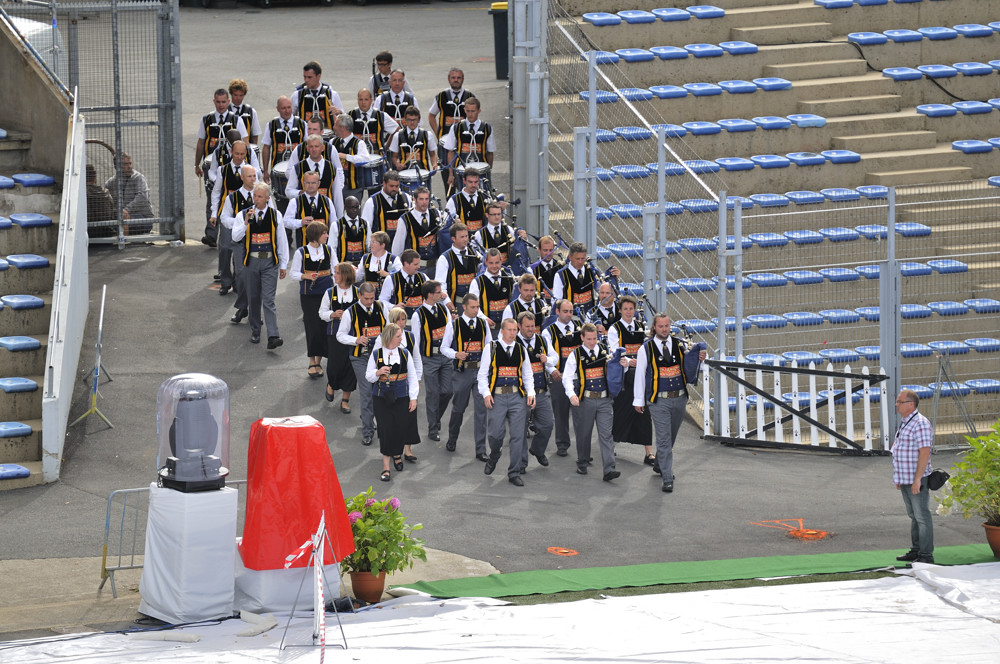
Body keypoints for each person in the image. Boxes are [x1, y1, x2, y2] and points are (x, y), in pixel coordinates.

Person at [632, 312, 707, 493]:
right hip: (659, 401)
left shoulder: (681, 345)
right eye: (661, 326)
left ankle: (659, 464)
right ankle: (667, 477)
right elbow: (640, 375)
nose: (664, 329)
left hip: (680, 398)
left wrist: (702, 359)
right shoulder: (645, 348)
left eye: (667, 326)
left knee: (671, 436)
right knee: (664, 439)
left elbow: (695, 367)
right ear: (654, 328)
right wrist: (638, 400)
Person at [477, 318, 536, 487]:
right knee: (495, 435)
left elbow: (527, 374)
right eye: (509, 330)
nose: (512, 333)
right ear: (501, 331)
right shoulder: (491, 348)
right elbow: (482, 375)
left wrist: (531, 393)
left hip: (518, 397)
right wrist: (486, 394)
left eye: (514, 330)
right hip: (497, 397)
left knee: (518, 436)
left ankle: (514, 472)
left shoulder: (521, 348)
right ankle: (495, 454)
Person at [231, 182, 287, 349]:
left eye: (260, 196)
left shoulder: (276, 215)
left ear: (267, 198)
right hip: (252, 262)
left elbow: (281, 240)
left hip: (270, 262)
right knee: (254, 298)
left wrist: (283, 264)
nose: (256, 199)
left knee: (268, 300)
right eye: (254, 196)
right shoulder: (242, 215)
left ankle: (273, 335)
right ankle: (256, 329)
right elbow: (235, 237)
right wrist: (246, 222)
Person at [563, 323, 619, 481]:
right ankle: (582, 461)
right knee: (583, 433)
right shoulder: (576, 354)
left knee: (606, 434)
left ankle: (609, 469)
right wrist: (571, 395)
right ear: (582, 337)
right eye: (589, 339)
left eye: (595, 338)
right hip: (585, 400)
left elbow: (616, 367)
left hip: (604, 399)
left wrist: (624, 363)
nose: (592, 342)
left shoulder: (605, 350)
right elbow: (567, 377)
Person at [336, 282, 389, 447]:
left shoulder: (381, 307)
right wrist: (356, 340)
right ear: (360, 296)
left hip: (379, 356)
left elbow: (388, 327)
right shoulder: (349, 312)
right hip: (360, 358)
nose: (369, 301)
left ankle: (376, 422)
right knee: (366, 392)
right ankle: (367, 431)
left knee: (381, 391)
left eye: (372, 298)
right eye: (366, 298)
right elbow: (340, 335)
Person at [366, 323, 420, 483]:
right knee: (386, 429)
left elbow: (412, 377)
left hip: (401, 397)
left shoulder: (404, 354)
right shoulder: (376, 354)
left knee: (399, 427)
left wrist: (413, 397)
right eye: (398, 336)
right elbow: (368, 376)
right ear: (390, 337)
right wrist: (378, 372)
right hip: (381, 398)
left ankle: (397, 454)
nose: (401, 339)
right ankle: (386, 466)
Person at [441, 293, 492, 458]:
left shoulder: (483, 324)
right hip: (462, 372)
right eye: (473, 307)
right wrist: (456, 354)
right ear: (464, 307)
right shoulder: (453, 325)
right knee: (458, 408)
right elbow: (444, 348)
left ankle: (481, 450)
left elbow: (490, 347)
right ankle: (452, 438)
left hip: (480, 372)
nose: (476, 310)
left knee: (481, 411)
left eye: (478, 307)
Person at [195, 88, 247, 247]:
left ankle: (235, 232)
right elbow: (201, 142)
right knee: (213, 199)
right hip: (213, 166)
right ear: (214, 102)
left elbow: (244, 141)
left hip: (234, 168)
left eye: (224, 101)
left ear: (228, 101)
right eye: (218, 102)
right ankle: (211, 234)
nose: (221, 105)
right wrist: (197, 163)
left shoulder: (236, 119)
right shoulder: (207, 119)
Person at [374, 306, 424, 463]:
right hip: (388, 384)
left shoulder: (409, 337)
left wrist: (418, 378)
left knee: (409, 415)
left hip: (407, 382)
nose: (402, 323)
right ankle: (392, 449)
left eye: (403, 319)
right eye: (398, 320)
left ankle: (407, 449)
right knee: (391, 419)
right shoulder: (381, 338)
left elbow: (416, 359)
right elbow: (376, 360)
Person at [607, 296, 653, 464]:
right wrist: (627, 362)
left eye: (631, 309)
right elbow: (614, 353)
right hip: (624, 378)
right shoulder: (614, 329)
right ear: (620, 310)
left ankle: (649, 453)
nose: (628, 312)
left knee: (644, 413)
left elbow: (647, 349)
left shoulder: (641, 327)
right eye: (625, 309)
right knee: (621, 412)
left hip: (640, 376)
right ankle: (610, 445)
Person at [892, 389, 935, 564]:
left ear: (911, 404)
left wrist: (918, 478)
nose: (897, 404)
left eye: (900, 402)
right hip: (906, 478)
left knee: (922, 516)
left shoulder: (920, 423)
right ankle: (916, 550)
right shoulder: (906, 422)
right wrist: (899, 478)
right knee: (914, 515)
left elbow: (924, 452)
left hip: (916, 478)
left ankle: (925, 555)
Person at [410, 280, 453, 442]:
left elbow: (450, 333)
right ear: (429, 295)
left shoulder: (443, 309)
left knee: (448, 391)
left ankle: (435, 418)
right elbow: (416, 342)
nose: (442, 295)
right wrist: (417, 367)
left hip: (445, 357)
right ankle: (432, 427)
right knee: (433, 394)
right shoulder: (417, 315)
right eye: (438, 292)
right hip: (429, 359)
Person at [290, 221, 333, 379]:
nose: (327, 236)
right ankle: (311, 360)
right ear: (315, 235)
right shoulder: (301, 252)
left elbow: (335, 271)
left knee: (323, 327)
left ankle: (318, 361)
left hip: (326, 294)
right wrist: (305, 276)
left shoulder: (329, 250)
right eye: (324, 233)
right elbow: (293, 274)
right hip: (309, 295)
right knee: (312, 326)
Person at [516, 310, 556, 472]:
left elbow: (555, 357)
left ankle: (538, 450)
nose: (531, 329)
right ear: (519, 326)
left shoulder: (542, 340)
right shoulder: (513, 342)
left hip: (540, 392)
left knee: (547, 424)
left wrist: (548, 360)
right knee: (520, 430)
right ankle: (521, 463)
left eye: (533, 326)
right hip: (520, 394)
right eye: (527, 326)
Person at [318, 262, 360, 412]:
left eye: (337, 273)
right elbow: (321, 312)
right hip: (334, 333)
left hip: (353, 335)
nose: (334, 275)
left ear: (345, 275)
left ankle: (345, 400)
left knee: (350, 367)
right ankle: (332, 384)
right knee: (335, 365)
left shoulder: (357, 292)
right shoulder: (329, 292)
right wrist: (332, 314)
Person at [543, 299, 581, 457]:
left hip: (578, 377)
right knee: (561, 412)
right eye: (565, 311)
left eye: (571, 311)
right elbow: (545, 355)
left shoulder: (580, 329)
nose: (568, 314)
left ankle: (582, 448)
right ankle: (562, 444)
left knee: (581, 415)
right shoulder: (548, 332)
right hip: (559, 377)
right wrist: (552, 370)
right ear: (557, 312)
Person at [428, 67, 474, 190]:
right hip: (445, 145)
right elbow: (431, 116)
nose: (456, 80)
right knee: (448, 178)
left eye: (459, 78)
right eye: (453, 77)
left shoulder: (470, 96)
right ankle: (450, 203)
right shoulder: (441, 96)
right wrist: (439, 134)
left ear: (463, 79)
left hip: (463, 144)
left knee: (466, 175)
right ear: (448, 79)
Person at [219, 163, 258, 299]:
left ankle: (247, 300)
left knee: (254, 272)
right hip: (240, 238)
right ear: (242, 177)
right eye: (249, 176)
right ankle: (233, 286)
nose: (253, 179)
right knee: (240, 270)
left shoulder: (262, 196)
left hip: (257, 239)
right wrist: (239, 222)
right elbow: (224, 218)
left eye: (254, 176)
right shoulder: (232, 197)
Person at [443, 97, 495, 190]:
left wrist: (488, 171)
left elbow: (490, 152)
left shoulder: (487, 128)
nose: (470, 114)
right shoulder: (456, 128)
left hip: (481, 172)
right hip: (462, 171)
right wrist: (451, 174)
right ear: (464, 110)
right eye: (468, 111)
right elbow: (450, 151)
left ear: (479, 111)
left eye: (473, 111)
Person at [390, 187, 441, 271]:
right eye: (421, 199)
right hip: (414, 268)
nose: (424, 202)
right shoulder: (405, 219)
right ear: (415, 199)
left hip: (434, 266)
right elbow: (397, 247)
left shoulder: (436, 214)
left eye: (426, 199)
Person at [283, 170, 336, 249]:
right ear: (303, 183)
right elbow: (286, 222)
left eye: (313, 183)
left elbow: (334, 224)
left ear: (318, 184)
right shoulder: (295, 202)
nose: (310, 185)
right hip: (303, 246)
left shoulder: (327, 201)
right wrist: (300, 222)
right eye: (308, 183)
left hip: (324, 246)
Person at [105, 152, 154, 235]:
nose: (129, 167)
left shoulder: (138, 178)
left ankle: (123, 241)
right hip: (120, 217)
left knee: (120, 221)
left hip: (142, 217)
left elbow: (142, 197)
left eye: (130, 163)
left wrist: (126, 210)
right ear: (117, 167)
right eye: (125, 164)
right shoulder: (110, 183)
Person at [260, 95, 306, 183]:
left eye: (289, 107)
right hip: (277, 169)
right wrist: (265, 171)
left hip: (298, 170)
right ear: (277, 109)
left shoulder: (302, 124)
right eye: (283, 108)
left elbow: (308, 146)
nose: (287, 111)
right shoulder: (271, 125)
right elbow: (266, 148)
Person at [434, 221, 480, 310]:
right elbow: (440, 284)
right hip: (455, 303)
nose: (465, 239)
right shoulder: (444, 258)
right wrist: (447, 301)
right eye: (462, 237)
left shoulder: (475, 253)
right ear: (453, 238)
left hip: (474, 304)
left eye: (466, 236)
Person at [331, 113, 371, 205]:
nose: (333, 127)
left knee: (354, 215)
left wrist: (346, 156)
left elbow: (366, 161)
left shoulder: (359, 143)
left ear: (343, 128)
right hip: (336, 186)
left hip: (353, 188)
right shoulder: (333, 141)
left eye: (336, 125)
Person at [361, 170, 410, 246]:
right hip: (381, 248)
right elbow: (366, 229)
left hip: (403, 246)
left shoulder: (406, 198)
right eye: (391, 186)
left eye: (397, 186)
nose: (394, 189)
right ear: (384, 183)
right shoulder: (372, 202)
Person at [469, 248, 514, 329]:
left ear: (501, 261)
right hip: (486, 327)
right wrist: (484, 318)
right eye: (491, 263)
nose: (494, 266)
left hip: (506, 329)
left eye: (497, 262)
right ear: (485, 262)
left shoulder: (509, 278)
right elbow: (472, 306)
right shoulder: (477, 282)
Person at [291, 60, 343, 131]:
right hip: (306, 136)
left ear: (318, 76)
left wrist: (338, 112)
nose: (306, 80)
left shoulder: (331, 94)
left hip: (327, 136)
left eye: (309, 77)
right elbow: (290, 116)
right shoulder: (297, 94)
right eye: (305, 77)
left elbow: (343, 117)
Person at [552, 241, 600, 314]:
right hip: (571, 319)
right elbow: (557, 301)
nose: (580, 262)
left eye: (582, 258)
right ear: (570, 257)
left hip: (590, 317)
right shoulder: (560, 275)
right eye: (577, 259)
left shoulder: (591, 270)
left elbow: (601, 289)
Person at [350, 88, 399, 156]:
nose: (363, 102)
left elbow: (396, 130)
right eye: (361, 99)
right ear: (357, 100)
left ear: (371, 101)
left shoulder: (381, 116)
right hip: (356, 157)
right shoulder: (350, 115)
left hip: (377, 157)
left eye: (366, 99)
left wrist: (386, 147)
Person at [389, 106, 437, 175]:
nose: (412, 123)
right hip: (404, 174)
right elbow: (394, 156)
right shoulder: (397, 135)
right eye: (409, 120)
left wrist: (434, 164)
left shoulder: (427, 135)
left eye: (414, 120)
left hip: (423, 173)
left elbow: (432, 155)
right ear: (405, 120)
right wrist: (397, 164)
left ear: (419, 120)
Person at [379, 249, 427, 316]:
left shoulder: (423, 277)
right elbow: (382, 300)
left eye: (419, 263)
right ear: (406, 264)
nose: (418, 266)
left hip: (420, 320)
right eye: (415, 264)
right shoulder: (391, 279)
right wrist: (393, 307)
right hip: (400, 322)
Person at [473, 201, 520, 267]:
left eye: (499, 214)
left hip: (507, 270)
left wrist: (522, 238)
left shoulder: (508, 230)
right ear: (487, 215)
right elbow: (474, 251)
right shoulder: (479, 234)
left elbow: (518, 247)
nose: (497, 217)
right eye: (494, 214)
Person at [444, 169, 487, 233]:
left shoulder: (484, 197)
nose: (473, 185)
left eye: (476, 182)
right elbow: (446, 221)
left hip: (482, 239)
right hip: (463, 239)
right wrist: (453, 221)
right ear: (464, 181)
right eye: (470, 182)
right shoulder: (454, 200)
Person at [331, 196, 367, 265]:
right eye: (351, 207)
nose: (354, 210)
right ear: (345, 207)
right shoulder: (336, 225)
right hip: (344, 264)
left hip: (361, 264)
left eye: (357, 207)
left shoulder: (365, 224)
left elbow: (368, 245)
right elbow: (332, 248)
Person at [85, 164, 116, 238]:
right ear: (94, 178)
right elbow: (112, 212)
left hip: (87, 233)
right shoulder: (105, 192)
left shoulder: (80, 194)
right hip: (105, 232)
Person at [229, 78, 262, 145]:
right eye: (235, 95)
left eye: (241, 95)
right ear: (231, 94)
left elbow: (255, 134)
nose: (238, 98)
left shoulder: (251, 111)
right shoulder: (225, 110)